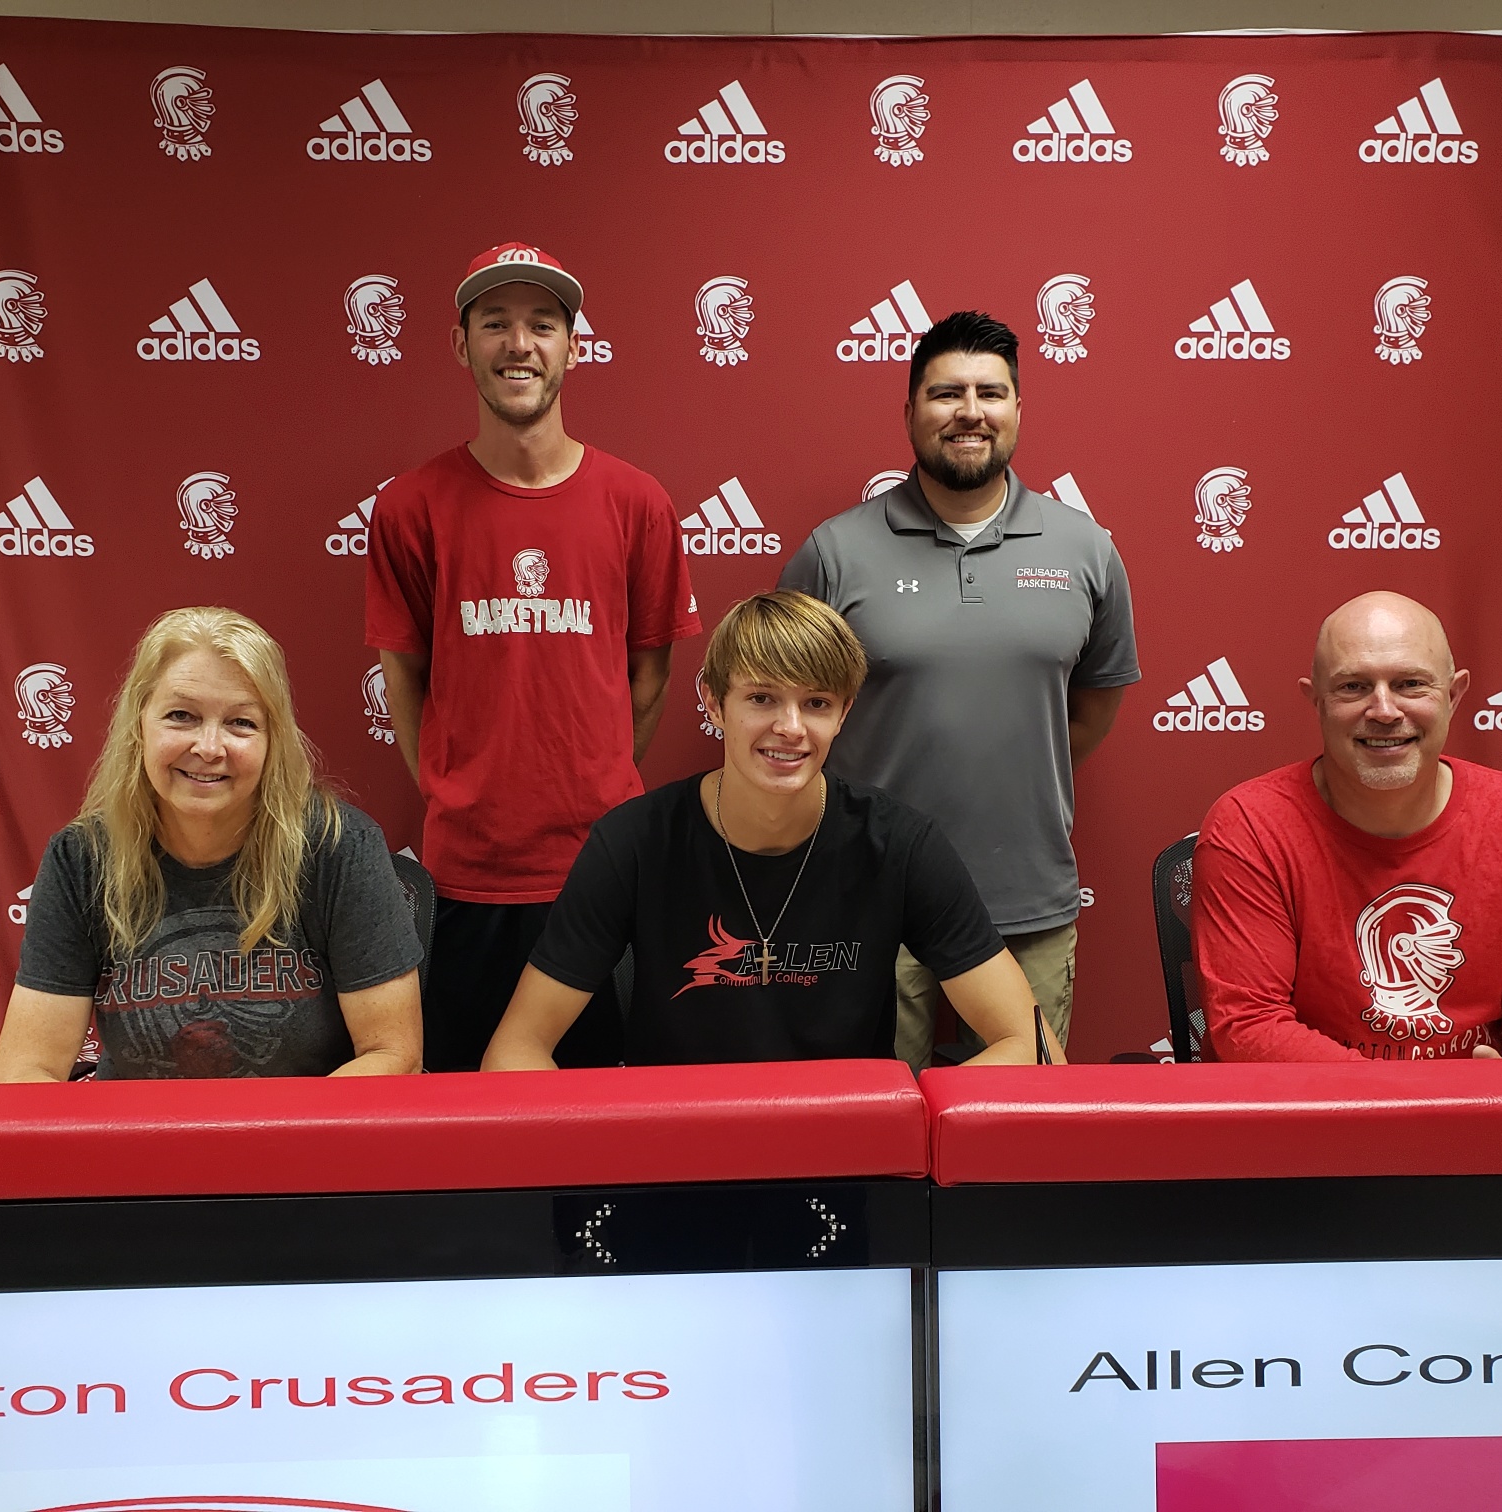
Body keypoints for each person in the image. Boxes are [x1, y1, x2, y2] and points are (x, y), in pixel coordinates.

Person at [365, 243, 700, 1071]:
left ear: (572, 346)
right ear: (461, 344)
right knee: (467, 1123)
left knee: (598, 1130)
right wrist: (451, 785)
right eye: (496, 324)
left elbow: (650, 672)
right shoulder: (411, 507)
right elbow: (403, 675)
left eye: (542, 325)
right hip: (464, 877)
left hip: (598, 873)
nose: (519, 344)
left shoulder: (637, 502)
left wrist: (597, 778)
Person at [778, 311, 1138, 1070]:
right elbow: (787, 720)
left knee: (1018, 1143)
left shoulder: (1086, 549)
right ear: (909, 412)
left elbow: (1093, 705)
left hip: (1028, 901)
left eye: (990, 393)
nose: (969, 411)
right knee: (871, 1135)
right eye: (945, 393)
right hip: (868, 903)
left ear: (1016, 410)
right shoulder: (835, 553)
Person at [482, 591, 1050, 1069]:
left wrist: (907, 1114)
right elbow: (516, 1049)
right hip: (678, 1160)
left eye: (817, 703)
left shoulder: (899, 843)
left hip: (847, 1164)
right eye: (761, 698)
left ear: (844, 713)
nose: (791, 728)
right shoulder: (633, 841)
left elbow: (1026, 1044)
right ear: (713, 701)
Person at [1192, 591, 1502, 1061]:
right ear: (1315, 700)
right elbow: (1250, 1027)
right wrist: (1417, 1105)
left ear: (1455, 695)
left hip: (1482, 1118)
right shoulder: (1251, 827)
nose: (1383, 711)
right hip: (1315, 1122)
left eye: (1410, 684)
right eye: (1353, 687)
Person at [0, 607, 424, 1081]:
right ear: (140, 725)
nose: (209, 748)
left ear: (272, 740)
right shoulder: (81, 858)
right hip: (138, 1143)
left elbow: (392, 1055)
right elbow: (27, 1070)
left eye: (241, 723)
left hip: (296, 1140)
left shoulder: (339, 846)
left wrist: (274, 1147)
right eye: (181, 716)